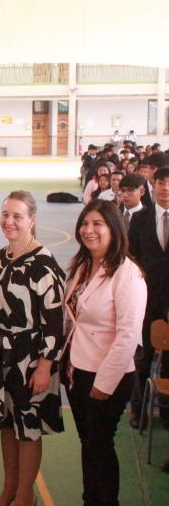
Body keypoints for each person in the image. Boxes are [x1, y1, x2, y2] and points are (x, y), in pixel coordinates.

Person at [0, 191, 66, 506]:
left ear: (32, 219)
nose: (9, 221)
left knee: (28, 427)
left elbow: (56, 323)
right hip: (1, 354)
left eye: (17, 216)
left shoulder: (44, 264)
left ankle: (25, 495)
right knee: (6, 423)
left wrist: (45, 365)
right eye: (5, 214)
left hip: (31, 356)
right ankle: (10, 487)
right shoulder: (1, 255)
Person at [63, 200, 146, 506]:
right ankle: (91, 500)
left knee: (100, 445)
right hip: (77, 370)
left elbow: (128, 336)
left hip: (106, 376)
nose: (89, 230)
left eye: (98, 224)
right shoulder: (84, 266)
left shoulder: (127, 273)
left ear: (114, 228)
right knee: (89, 443)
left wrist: (104, 382)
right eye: (85, 223)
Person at [127, 165, 169, 431]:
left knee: (168, 362)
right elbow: (130, 257)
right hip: (145, 300)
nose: (165, 187)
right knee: (142, 359)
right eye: (161, 182)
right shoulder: (140, 219)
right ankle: (138, 409)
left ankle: (165, 413)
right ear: (152, 185)